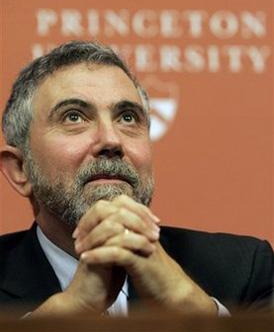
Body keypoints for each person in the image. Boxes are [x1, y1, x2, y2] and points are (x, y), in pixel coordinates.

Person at [0, 41, 273, 318]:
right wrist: (68, 312)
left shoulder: (244, 271)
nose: (111, 139)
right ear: (20, 169)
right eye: (74, 117)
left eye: (127, 118)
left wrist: (193, 310)